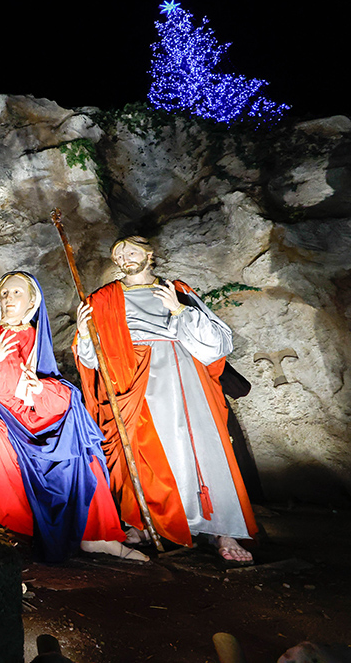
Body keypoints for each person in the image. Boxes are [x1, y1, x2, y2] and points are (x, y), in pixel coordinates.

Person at [0, 272, 144, 563]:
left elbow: (52, 387)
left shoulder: (34, 337)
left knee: (80, 446)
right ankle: (2, 535)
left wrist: (40, 389)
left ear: (32, 302)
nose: (8, 299)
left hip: (31, 420)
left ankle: (96, 536)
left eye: (16, 293)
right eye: (4, 293)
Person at [74, 236, 257, 562]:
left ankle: (222, 530)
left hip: (182, 374)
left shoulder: (178, 290)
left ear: (149, 253)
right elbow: (91, 360)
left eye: (131, 250)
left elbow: (217, 345)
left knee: (201, 449)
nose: (124, 257)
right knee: (144, 454)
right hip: (134, 383)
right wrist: (85, 333)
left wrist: (178, 310)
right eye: (118, 253)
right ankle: (146, 522)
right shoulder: (103, 299)